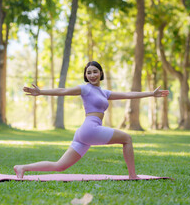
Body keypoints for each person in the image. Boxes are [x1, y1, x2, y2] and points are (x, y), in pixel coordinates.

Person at [14, 61, 169, 179]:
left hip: (84, 134)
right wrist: (41, 92)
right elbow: (63, 91)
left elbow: (128, 94)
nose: (92, 75)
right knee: (127, 139)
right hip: (90, 129)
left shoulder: (104, 92)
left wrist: (150, 94)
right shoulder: (85, 88)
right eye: (89, 73)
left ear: (101, 73)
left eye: (95, 72)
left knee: (60, 166)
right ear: (85, 75)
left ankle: (22, 167)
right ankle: (133, 176)